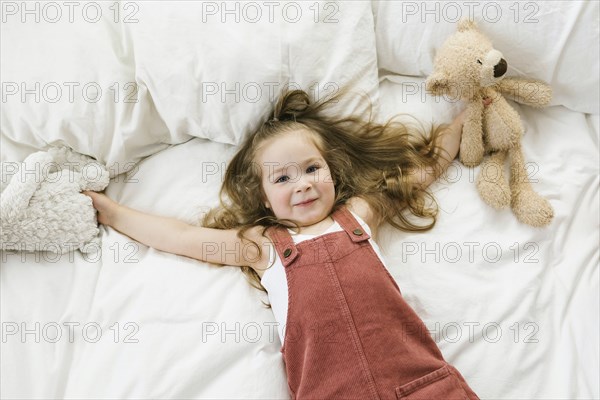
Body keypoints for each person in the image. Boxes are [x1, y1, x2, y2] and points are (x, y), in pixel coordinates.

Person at [85, 89, 480, 399]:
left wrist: (464, 119)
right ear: (263, 198)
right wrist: (114, 214)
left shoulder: (359, 216)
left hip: (420, 384)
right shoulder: (264, 247)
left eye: (312, 169)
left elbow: (421, 172)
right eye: (283, 178)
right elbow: (185, 238)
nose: (303, 183)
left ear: (332, 172)